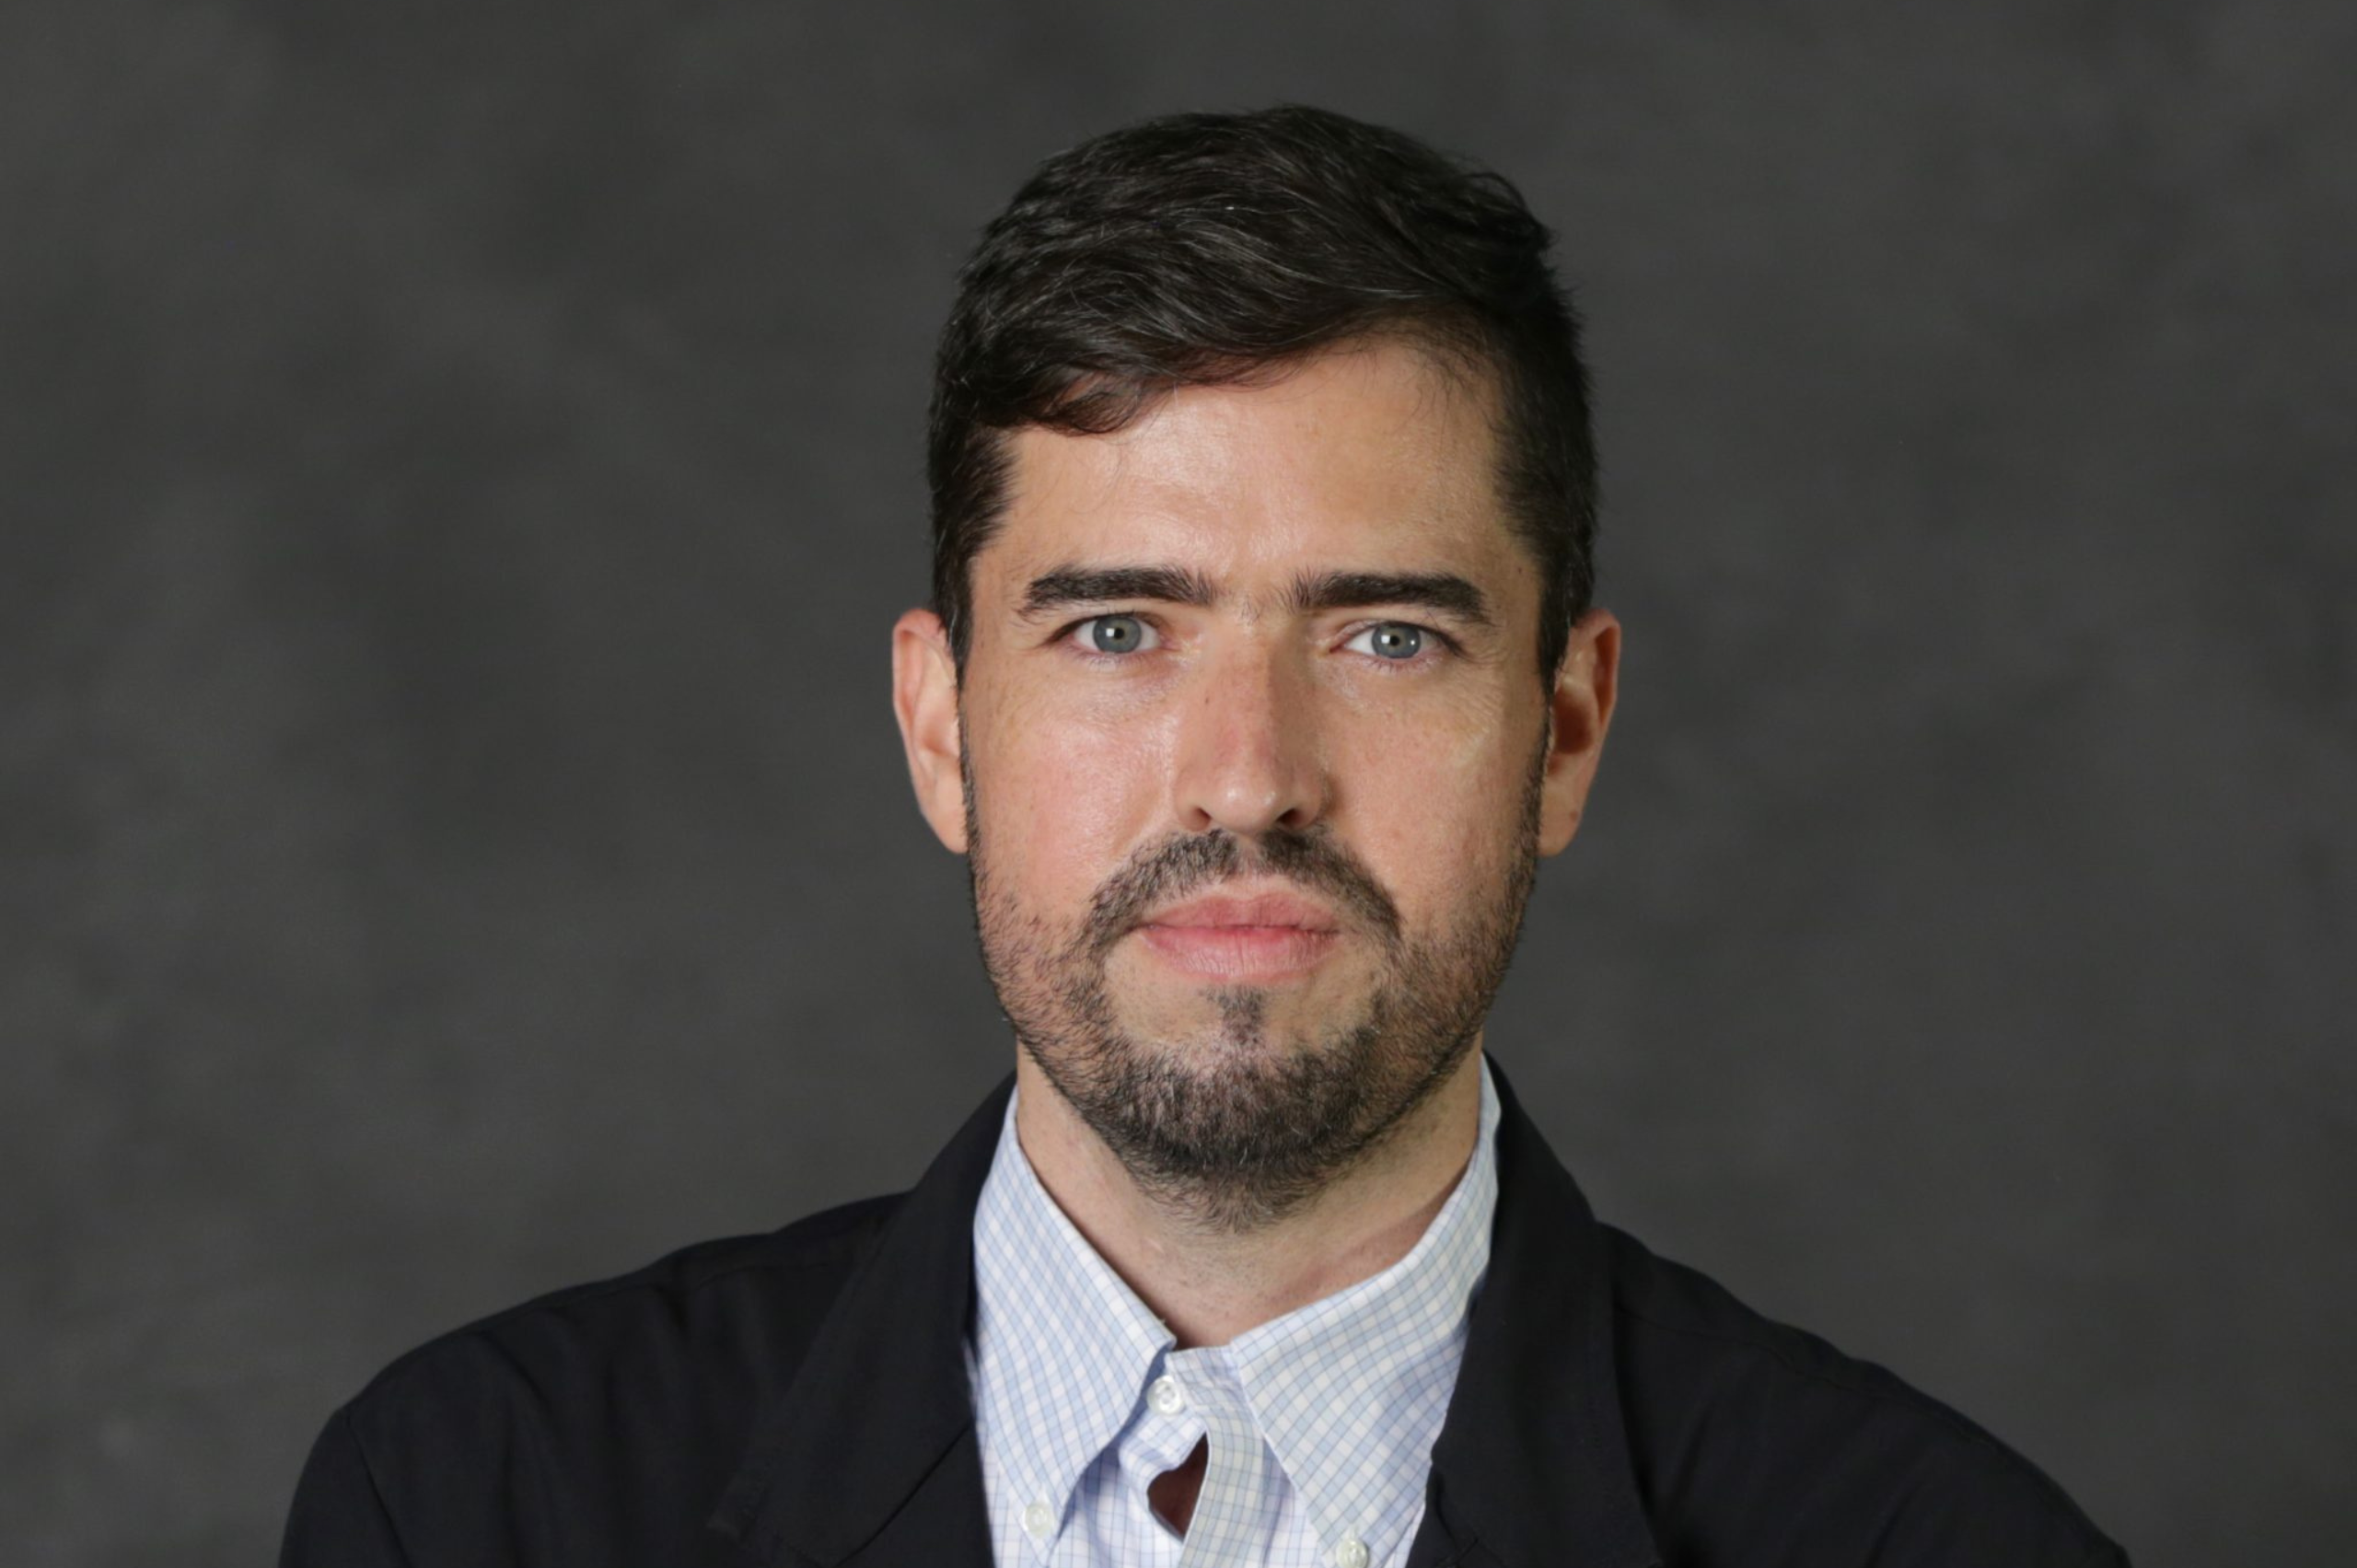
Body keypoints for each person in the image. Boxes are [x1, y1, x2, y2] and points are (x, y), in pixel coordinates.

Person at [280, 105, 2130, 1568]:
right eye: (1116, 630)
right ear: (941, 728)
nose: (1246, 776)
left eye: (1383, 635)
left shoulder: (1936, 1543)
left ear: (1561, 729)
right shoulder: (478, 1503)